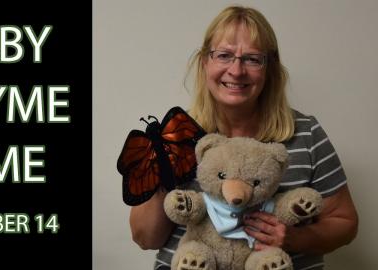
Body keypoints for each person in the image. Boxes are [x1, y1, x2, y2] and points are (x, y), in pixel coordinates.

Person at [129, 5, 358, 270]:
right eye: (224, 55)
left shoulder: (306, 133)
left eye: (252, 59)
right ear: (205, 62)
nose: (236, 71)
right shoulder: (174, 136)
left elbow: (345, 223)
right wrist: (165, 166)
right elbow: (145, 238)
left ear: (269, 68)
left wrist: (295, 238)